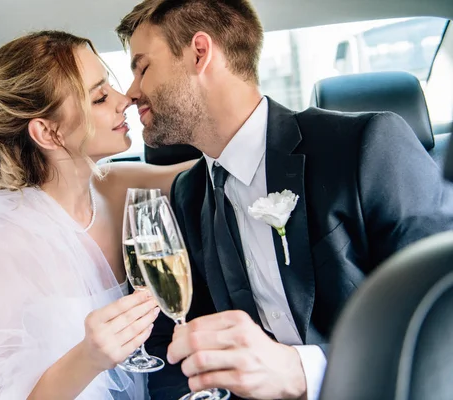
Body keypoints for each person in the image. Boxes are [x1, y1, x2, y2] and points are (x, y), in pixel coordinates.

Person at [116, 1, 453, 399]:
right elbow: (175, 346)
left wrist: (303, 372)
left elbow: (442, 317)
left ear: (199, 53)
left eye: (142, 68)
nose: (131, 92)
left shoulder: (365, 147)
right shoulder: (189, 198)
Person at [0, 30, 195, 400]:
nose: (124, 99)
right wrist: (88, 358)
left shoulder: (118, 188)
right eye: (99, 97)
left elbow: (211, 170)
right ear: (47, 132)